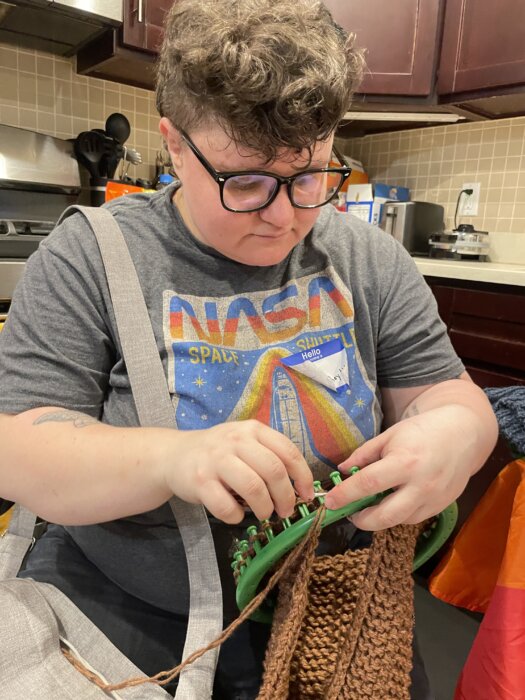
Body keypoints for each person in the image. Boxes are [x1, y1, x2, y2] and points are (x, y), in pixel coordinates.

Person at [0, 0, 498, 697]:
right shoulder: (91, 255)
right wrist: (174, 457)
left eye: (311, 175)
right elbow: (18, 452)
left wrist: (455, 433)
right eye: (246, 181)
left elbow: (449, 398)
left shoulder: (368, 257)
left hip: (340, 609)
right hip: (137, 622)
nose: (284, 215)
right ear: (175, 146)